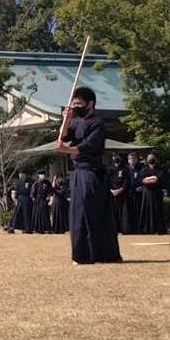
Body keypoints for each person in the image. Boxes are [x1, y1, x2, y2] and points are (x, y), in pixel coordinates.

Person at [53, 87, 122, 264]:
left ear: (90, 104)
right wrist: (66, 120)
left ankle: (100, 253)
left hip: (92, 174)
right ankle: (81, 254)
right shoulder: (76, 122)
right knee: (77, 214)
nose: (76, 106)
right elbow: (64, 136)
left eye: (79, 104)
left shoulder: (98, 124)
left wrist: (66, 150)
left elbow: (88, 146)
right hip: (78, 173)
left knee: (92, 212)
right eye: (74, 104)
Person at [137, 154, 166, 235]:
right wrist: (150, 179)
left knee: (157, 210)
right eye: (149, 158)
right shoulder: (144, 169)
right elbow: (141, 179)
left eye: (152, 158)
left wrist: (148, 179)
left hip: (157, 192)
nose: (150, 159)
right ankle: (146, 229)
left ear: (155, 159)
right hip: (147, 192)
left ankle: (158, 229)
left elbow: (158, 178)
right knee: (146, 210)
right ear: (147, 160)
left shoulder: (160, 169)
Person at [109, 153, 133, 234]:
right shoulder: (110, 169)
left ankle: (124, 229)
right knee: (112, 212)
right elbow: (107, 181)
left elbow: (127, 181)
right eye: (114, 156)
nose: (116, 158)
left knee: (124, 212)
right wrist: (111, 190)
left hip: (122, 193)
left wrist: (121, 189)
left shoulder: (125, 169)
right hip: (112, 194)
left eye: (117, 156)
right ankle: (113, 229)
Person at [126, 152, 144, 231]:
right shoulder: (125, 169)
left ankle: (138, 228)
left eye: (134, 158)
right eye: (130, 159)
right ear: (128, 160)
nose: (132, 160)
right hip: (128, 193)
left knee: (138, 211)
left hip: (138, 193)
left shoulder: (141, 169)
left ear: (137, 160)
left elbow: (144, 179)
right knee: (128, 212)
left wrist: (143, 187)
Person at [49, 170, 70, 235]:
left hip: (62, 202)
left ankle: (62, 229)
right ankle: (55, 229)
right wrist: (53, 183)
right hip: (55, 202)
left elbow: (61, 192)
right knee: (55, 215)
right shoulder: (54, 185)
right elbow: (51, 191)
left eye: (60, 178)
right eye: (57, 178)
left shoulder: (64, 184)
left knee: (61, 216)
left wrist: (55, 190)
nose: (59, 179)